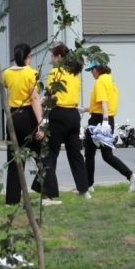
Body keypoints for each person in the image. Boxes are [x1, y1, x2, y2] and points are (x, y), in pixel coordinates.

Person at [32, 43, 90, 201]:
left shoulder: (55, 73)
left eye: (52, 56)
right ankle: (84, 189)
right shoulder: (75, 74)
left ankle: (48, 193)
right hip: (74, 115)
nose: (51, 59)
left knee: (50, 154)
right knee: (75, 154)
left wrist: (42, 102)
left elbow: (52, 96)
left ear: (59, 57)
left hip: (59, 114)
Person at [83, 59, 135, 192]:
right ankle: (131, 176)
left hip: (99, 121)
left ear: (97, 69)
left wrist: (103, 121)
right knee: (106, 155)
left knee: (90, 152)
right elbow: (102, 105)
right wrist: (85, 109)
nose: (91, 73)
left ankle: (88, 185)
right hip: (108, 120)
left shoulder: (100, 81)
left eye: (92, 70)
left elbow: (104, 102)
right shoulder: (111, 81)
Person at [1, 43, 45, 206]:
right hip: (28, 116)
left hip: (13, 116)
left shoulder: (6, 73)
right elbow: (34, 99)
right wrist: (40, 123)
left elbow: (6, 86)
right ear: (28, 56)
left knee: (14, 159)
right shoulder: (32, 73)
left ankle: (12, 200)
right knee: (43, 155)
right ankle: (42, 189)